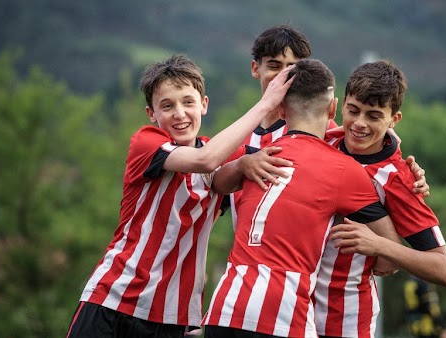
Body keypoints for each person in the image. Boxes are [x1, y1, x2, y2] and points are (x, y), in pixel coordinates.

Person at [65, 55, 294, 338]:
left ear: (204, 105)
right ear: (152, 114)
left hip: (172, 317)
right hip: (114, 299)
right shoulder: (146, 143)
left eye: (188, 102)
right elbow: (205, 160)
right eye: (167, 106)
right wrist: (265, 104)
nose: (180, 114)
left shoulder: (222, 152)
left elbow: (294, 151)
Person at [202, 59, 402, 338]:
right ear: (333, 108)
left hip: (223, 310)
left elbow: (218, 182)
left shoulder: (259, 155)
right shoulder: (344, 169)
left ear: (281, 110)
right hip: (282, 316)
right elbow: (391, 255)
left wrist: (242, 164)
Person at [225, 24, 429, 229]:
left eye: (292, 68)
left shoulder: (324, 132)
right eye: (274, 66)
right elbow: (216, 187)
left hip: (302, 257)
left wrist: (410, 174)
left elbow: (371, 160)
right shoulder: (237, 136)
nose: (283, 76)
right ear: (255, 69)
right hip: (245, 255)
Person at [323, 60, 446, 337]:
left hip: (345, 321)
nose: (359, 124)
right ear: (340, 105)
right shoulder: (322, 141)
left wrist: (380, 245)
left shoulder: (398, 179)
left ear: (393, 119)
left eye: (373, 116)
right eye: (353, 111)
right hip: (289, 311)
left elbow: (445, 271)